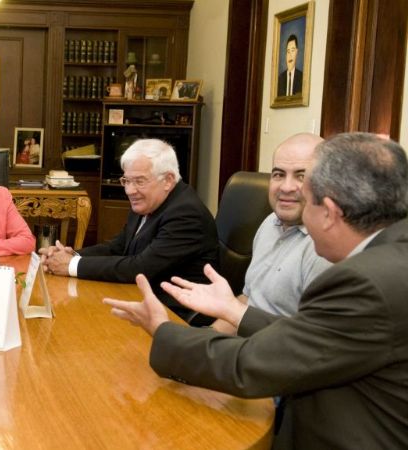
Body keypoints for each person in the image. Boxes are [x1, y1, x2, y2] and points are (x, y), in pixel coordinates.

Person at [104, 133, 408, 448]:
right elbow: (307, 336)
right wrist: (232, 312)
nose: (291, 194)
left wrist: (163, 330)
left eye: (307, 196)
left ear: (329, 213)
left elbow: (251, 364)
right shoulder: (392, 256)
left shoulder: (365, 282)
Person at [40, 138, 218, 321]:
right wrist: (72, 254)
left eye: (139, 181)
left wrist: (70, 265)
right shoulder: (149, 201)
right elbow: (117, 247)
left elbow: (140, 268)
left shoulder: (186, 214)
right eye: (126, 180)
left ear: (168, 180)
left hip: (174, 314)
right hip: (140, 298)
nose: (130, 190)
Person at [213, 133, 332, 333]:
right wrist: (204, 338)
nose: (286, 187)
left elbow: (313, 341)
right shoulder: (270, 222)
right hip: (242, 347)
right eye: (278, 174)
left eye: (301, 176)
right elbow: (248, 301)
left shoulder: (326, 249)